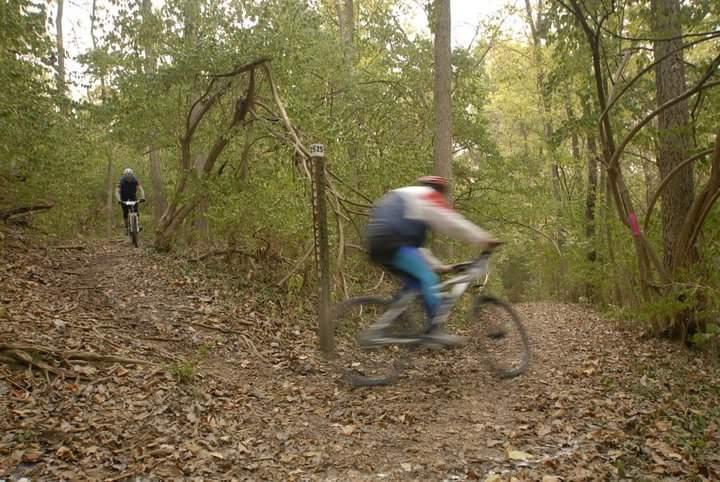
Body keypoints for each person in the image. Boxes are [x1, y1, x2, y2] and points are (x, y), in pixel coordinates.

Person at [364, 175, 500, 346]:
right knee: (429, 278)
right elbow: (453, 223)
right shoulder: (427, 195)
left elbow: (416, 250)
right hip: (392, 240)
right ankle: (435, 332)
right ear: (439, 190)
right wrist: (484, 239)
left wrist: (441, 266)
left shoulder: (410, 201)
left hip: (378, 242)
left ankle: (390, 324)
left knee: (415, 285)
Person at [115, 168, 145, 233]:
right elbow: (117, 191)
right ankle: (126, 227)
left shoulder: (135, 180)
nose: (129, 179)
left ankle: (138, 223)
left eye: (130, 177)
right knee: (125, 213)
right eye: (127, 177)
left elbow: (141, 189)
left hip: (132, 196)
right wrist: (119, 200)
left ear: (132, 176)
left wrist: (143, 197)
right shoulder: (121, 181)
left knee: (136, 211)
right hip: (124, 197)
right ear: (124, 176)